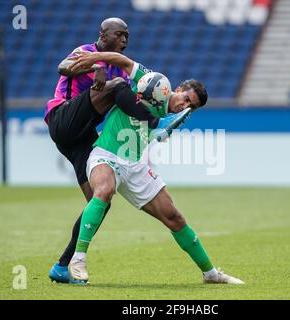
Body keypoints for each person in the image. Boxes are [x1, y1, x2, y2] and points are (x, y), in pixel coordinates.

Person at [66, 52, 245, 285]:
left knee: (174, 217)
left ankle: (210, 274)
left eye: (192, 106)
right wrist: (96, 58)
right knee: (104, 190)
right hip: (107, 154)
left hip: (136, 165)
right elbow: (124, 61)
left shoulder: (177, 117)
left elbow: (159, 136)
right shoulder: (154, 82)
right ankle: (78, 259)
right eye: (187, 98)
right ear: (178, 88)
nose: (186, 105)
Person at [47, 18, 171, 284]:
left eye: (128, 35)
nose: (125, 39)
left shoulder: (124, 73)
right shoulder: (87, 51)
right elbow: (63, 67)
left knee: (100, 202)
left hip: (81, 136)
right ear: (103, 36)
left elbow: (137, 98)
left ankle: (62, 265)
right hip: (63, 119)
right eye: (120, 34)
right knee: (117, 87)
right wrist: (98, 66)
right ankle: (157, 126)